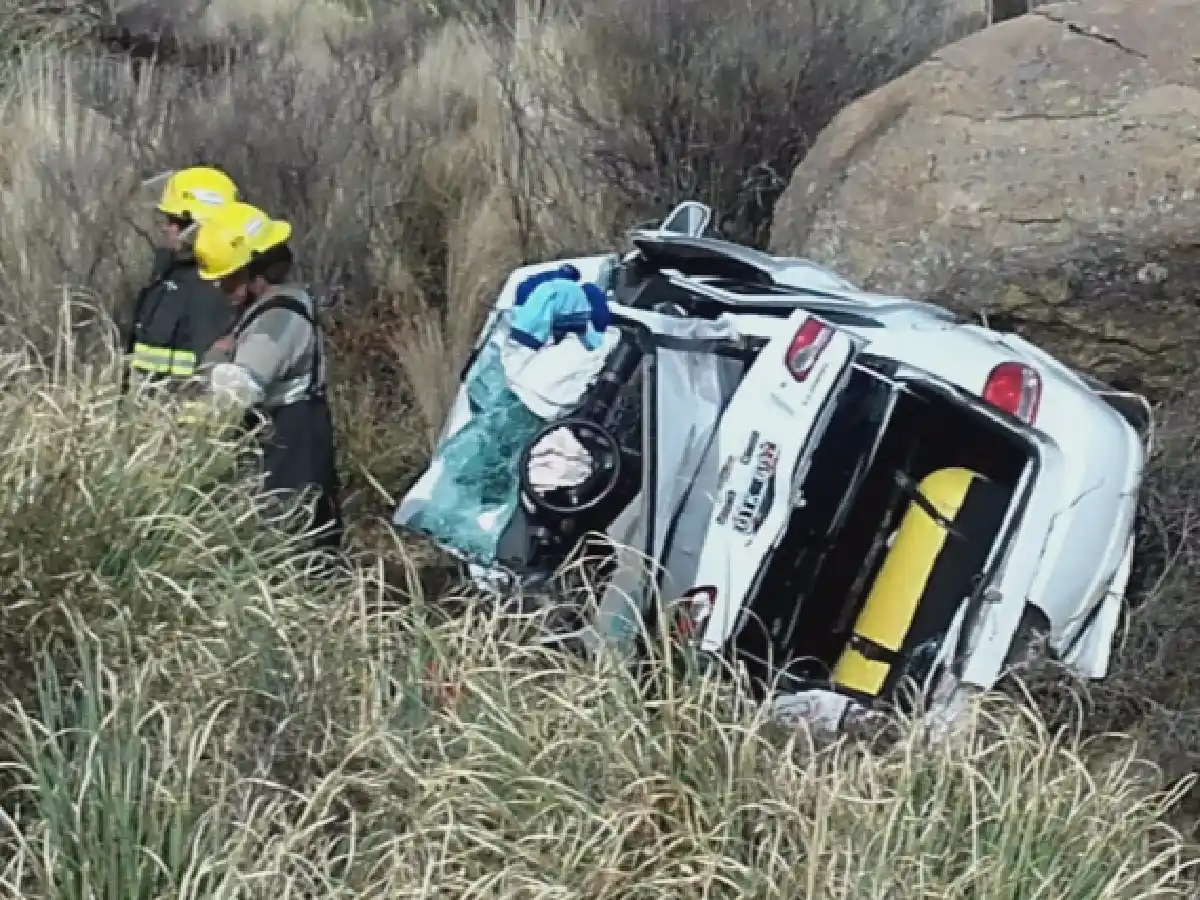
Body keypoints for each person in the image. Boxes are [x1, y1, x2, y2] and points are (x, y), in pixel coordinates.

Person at [191, 201, 344, 551]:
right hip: (289, 450)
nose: (221, 289)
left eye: (227, 278)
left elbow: (232, 396)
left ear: (255, 269)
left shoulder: (275, 322)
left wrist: (214, 359)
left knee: (295, 556)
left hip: (289, 458)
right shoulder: (273, 309)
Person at [119, 166, 241, 393]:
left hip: (191, 423)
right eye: (169, 219)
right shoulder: (167, 275)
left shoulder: (223, 288)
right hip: (151, 418)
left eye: (178, 221)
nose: (169, 228)